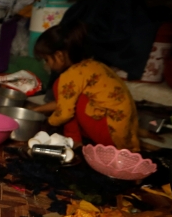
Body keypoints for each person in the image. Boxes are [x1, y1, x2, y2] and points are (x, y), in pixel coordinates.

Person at [31, 21, 140, 151]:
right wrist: (37, 110)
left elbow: (64, 112)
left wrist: (47, 124)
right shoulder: (92, 65)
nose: (46, 65)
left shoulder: (69, 76)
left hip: (110, 136)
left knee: (60, 90)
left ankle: (73, 140)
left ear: (59, 56)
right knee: (71, 98)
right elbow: (63, 101)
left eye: (47, 60)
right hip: (124, 134)